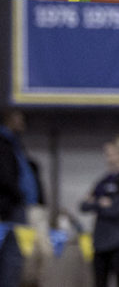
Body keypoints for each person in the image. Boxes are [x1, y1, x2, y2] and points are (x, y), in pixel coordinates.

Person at [80, 137, 119, 287]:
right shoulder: (103, 181)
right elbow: (83, 205)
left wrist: (98, 203)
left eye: (111, 153)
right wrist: (102, 203)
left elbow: (118, 209)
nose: (107, 157)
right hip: (100, 243)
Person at [0, 109, 39, 287]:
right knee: (12, 256)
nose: (22, 122)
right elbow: (5, 176)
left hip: (14, 205)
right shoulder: (4, 143)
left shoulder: (14, 143)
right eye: (19, 118)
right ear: (9, 119)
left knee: (14, 256)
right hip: (8, 208)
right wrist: (18, 195)